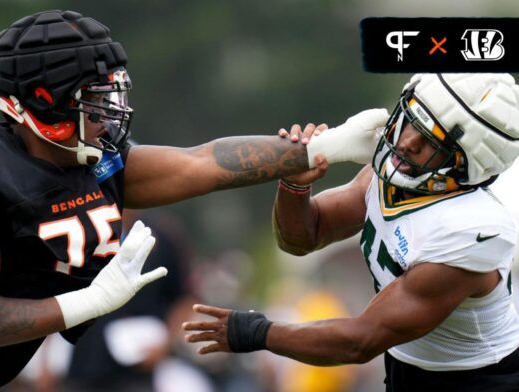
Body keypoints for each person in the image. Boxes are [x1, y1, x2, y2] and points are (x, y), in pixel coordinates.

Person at [0, 9, 387, 391]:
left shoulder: (94, 162)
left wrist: (330, 146)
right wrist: (90, 303)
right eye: (96, 100)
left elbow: (203, 163)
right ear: (44, 101)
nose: (111, 114)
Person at [183, 73, 519, 391]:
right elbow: (303, 238)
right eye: (411, 121)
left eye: (431, 141)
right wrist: (294, 184)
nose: (407, 142)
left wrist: (257, 333)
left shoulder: (467, 230)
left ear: (465, 165)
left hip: (479, 380)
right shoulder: (385, 177)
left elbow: (359, 341)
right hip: (408, 368)